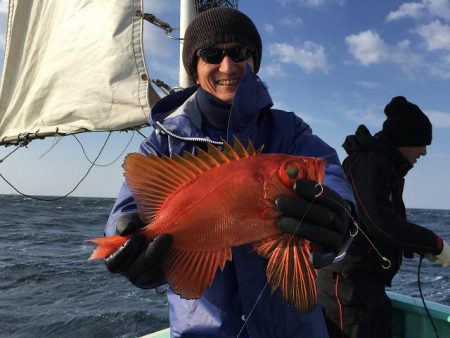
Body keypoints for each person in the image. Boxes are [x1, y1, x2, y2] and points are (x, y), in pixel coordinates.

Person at [103, 7, 355, 337]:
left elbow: (329, 171)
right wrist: (127, 243)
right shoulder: (163, 144)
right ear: (194, 69)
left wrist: (341, 213)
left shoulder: (289, 131)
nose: (227, 66)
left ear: (255, 62)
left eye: (239, 52)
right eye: (211, 55)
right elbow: (127, 210)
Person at [316, 96, 450, 338]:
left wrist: (421, 247)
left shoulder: (381, 162)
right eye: (422, 143)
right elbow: (380, 222)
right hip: (349, 287)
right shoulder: (371, 163)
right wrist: (435, 244)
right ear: (405, 139)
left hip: (365, 286)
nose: (425, 151)